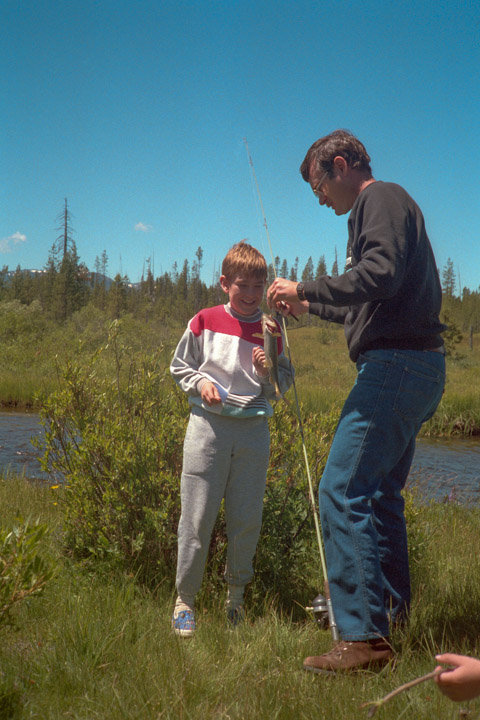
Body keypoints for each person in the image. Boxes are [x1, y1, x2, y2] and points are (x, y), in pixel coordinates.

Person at [267, 129, 446, 672]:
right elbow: (367, 304)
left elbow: (379, 275)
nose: (319, 198)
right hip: (413, 366)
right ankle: (390, 615)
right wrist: (310, 307)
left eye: (318, 185)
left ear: (339, 165)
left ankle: (363, 639)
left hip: (395, 366)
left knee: (342, 490)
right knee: (381, 495)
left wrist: (303, 288)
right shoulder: (375, 209)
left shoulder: (379, 199)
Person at [170, 240, 294, 636]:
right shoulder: (203, 321)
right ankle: (184, 602)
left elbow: (282, 385)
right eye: (243, 285)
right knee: (196, 518)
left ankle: (235, 601)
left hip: (254, 433)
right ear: (225, 283)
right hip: (207, 430)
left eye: (259, 287)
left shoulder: (272, 327)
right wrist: (202, 381)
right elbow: (180, 366)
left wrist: (264, 371)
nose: (252, 295)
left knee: (246, 520)